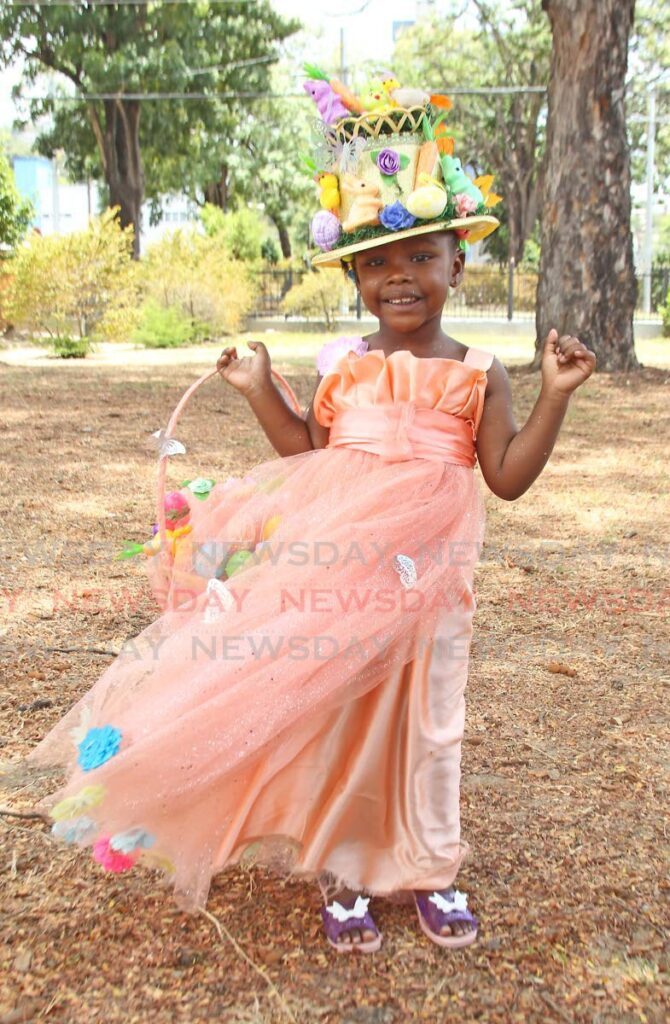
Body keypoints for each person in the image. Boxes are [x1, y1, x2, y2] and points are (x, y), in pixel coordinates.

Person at [11, 71, 596, 955]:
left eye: (420, 259)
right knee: (338, 715)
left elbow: (507, 476)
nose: (399, 278)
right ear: (356, 275)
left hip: (432, 579)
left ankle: (429, 866)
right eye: (376, 264)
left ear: (457, 264)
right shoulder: (346, 366)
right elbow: (310, 458)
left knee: (427, 720)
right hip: (340, 574)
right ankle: (344, 870)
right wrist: (257, 390)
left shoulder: (481, 370)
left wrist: (554, 393)